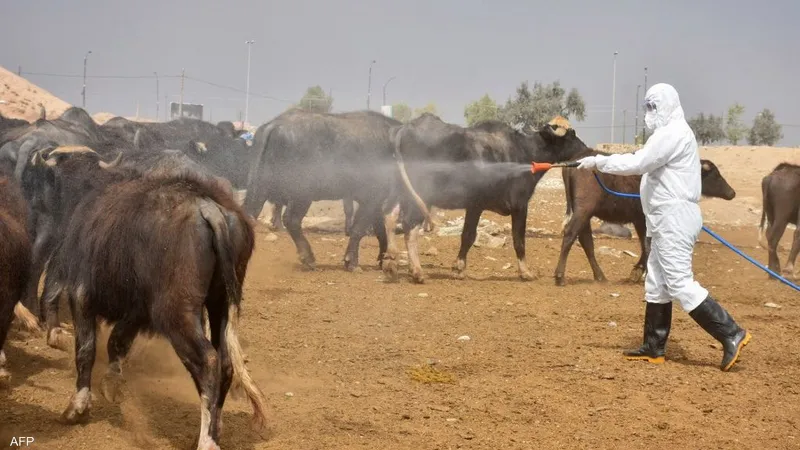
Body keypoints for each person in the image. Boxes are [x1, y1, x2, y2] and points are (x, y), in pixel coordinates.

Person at [575, 83, 751, 372]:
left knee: (680, 282)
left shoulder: (674, 133)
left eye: (653, 107)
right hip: (662, 218)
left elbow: (640, 161)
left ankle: (731, 332)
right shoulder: (667, 135)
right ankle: (653, 346)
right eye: (647, 107)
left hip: (674, 217)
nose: (649, 113)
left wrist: (598, 161)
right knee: (656, 282)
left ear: (668, 105)